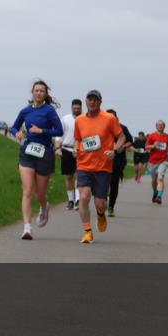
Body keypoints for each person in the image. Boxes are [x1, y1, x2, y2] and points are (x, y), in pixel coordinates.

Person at [10, 80, 64, 240]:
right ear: (32, 93)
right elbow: (14, 127)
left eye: (42, 91)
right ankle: (27, 228)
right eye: (36, 90)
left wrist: (42, 130)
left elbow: (59, 130)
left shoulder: (49, 111)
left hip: (45, 153)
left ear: (45, 94)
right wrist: (17, 133)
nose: (39, 93)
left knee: (40, 193)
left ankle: (44, 206)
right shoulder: (25, 111)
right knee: (27, 191)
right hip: (27, 152)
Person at [73, 90, 127, 244]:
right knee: (83, 196)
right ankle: (88, 231)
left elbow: (122, 137)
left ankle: (101, 215)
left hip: (103, 167)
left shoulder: (109, 119)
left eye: (95, 100)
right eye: (89, 99)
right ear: (86, 102)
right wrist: (76, 149)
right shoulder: (80, 120)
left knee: (100, 204)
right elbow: (77, 139)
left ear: (100, 102)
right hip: (83, 164)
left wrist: (115, 151)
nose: (92, 102)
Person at [56, 98, 83, 210]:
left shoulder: (85, 119)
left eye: (78, 108)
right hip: (67, 149)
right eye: (74, 107)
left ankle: (78, 200)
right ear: (71, 107)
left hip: (81, 151)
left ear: (81, 108)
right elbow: (59, 135)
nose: (76, 109)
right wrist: (58, 148)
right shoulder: (65, 119)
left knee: (79, 176)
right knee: (69, 176)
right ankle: (70, 200)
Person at [105, 109, 132, 217]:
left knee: (114, 184)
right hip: (104, 159)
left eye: (113, 117)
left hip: (118, 160)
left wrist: (122, 146)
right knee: (103, 184)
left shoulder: (122, 128)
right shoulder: (102, 127)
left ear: (116, 118)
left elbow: (130, 141)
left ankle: (111, 207)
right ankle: (103, 198)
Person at [146, 120, 168, 204]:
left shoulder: (167, 136)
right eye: (159, 125)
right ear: (156, 126)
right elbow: (146, 147)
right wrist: (153, 146)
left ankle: (159, 196)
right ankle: (155, 192)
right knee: (154, 180)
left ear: (164, 126)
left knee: (160, 178)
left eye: (162, 125)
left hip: (163, 160)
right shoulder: (152, 136)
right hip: (152, 161)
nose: (160, 126)